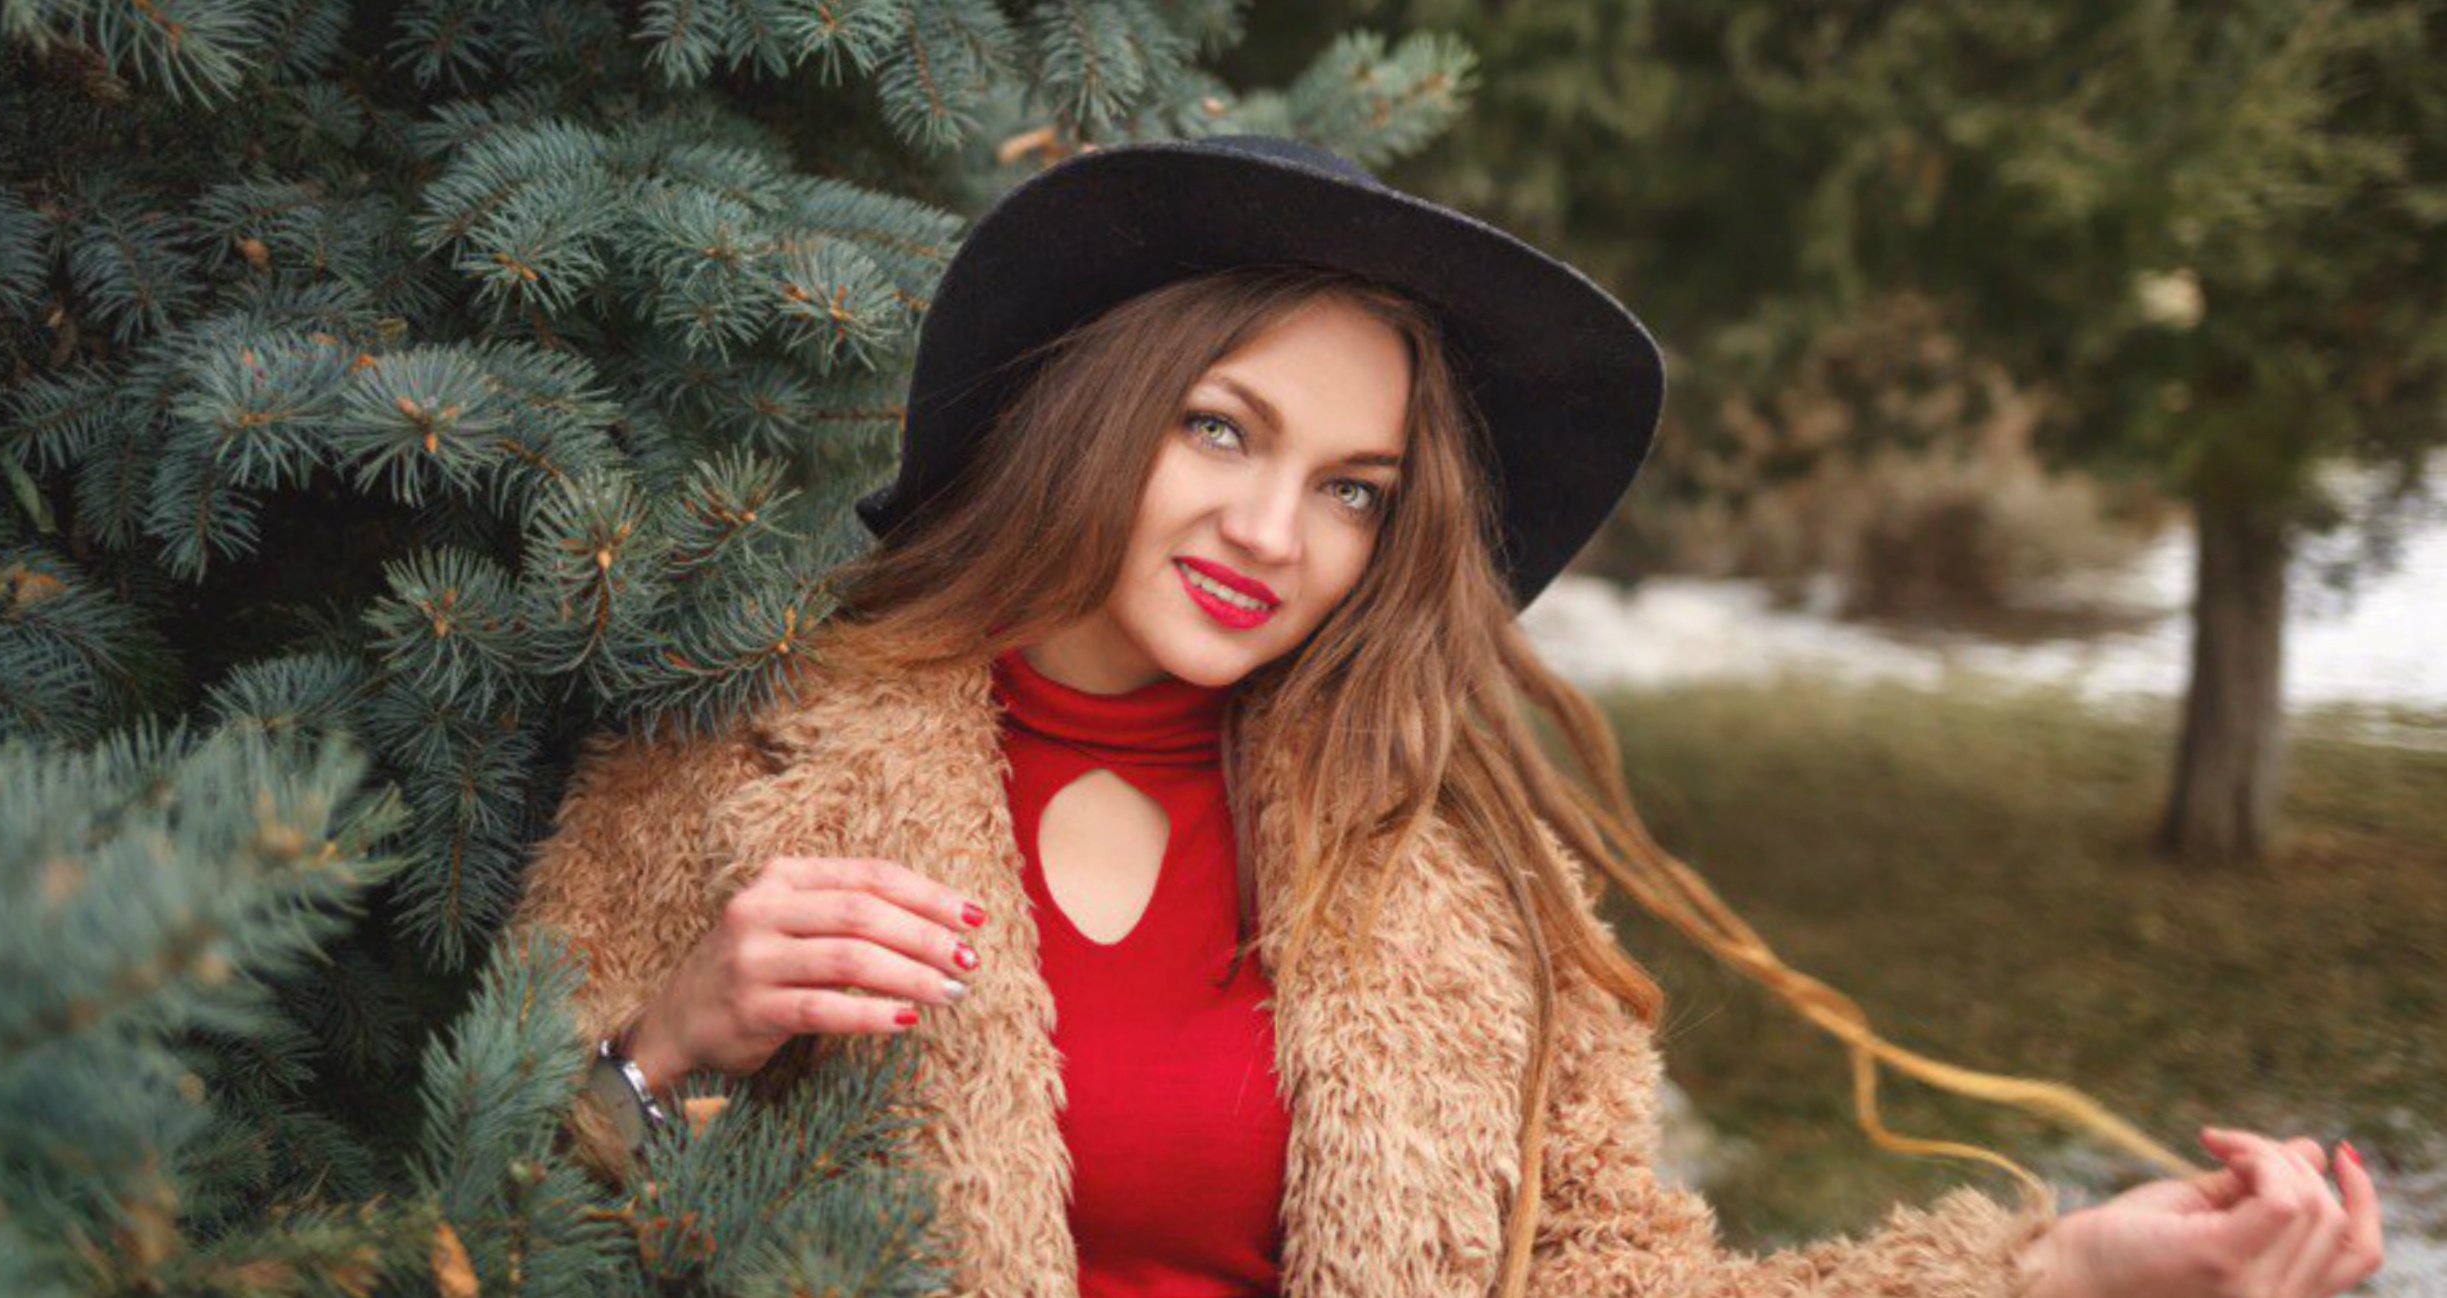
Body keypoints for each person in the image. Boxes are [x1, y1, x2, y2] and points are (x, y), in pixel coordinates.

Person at [505, 136, 2385, 1298]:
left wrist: (2067, 1270)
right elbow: (472, 1214)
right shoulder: (741, 756)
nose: (1275, 532)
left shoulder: (1452, 859)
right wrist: (666, 1050)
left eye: (1355, 488)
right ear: (1091, 407)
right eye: (1221, 428)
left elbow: (1614, 1282)